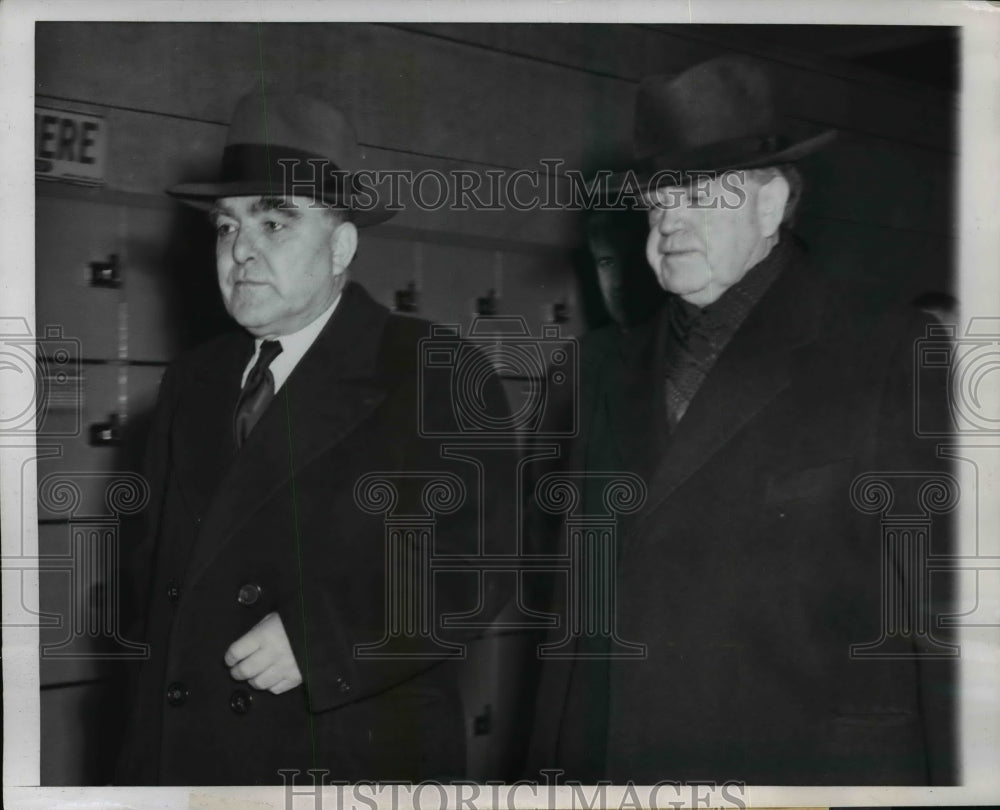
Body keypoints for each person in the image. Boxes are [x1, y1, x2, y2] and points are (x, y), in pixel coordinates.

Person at [528, 55, 955, 785]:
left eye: (702, 195)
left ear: (769, 206)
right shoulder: (599, 370)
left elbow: (940, 607)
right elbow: (577, 616)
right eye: (659, 202)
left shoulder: (885, 351)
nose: (672, 223)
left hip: (804, 770)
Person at [115, 92, 508, 785]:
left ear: (341, 247)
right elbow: (153, 588)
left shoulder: (430, 370)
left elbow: (479, 568)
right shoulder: (193, 381)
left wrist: (322, 640)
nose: (241, 251)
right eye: (226, 226)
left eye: (275, 223)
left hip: (342, 753)